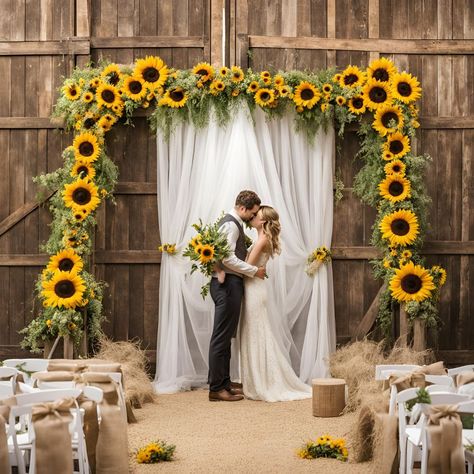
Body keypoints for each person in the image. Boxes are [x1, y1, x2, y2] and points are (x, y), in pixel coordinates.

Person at [240, 206, 312, 401]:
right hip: (256, 288)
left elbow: (247, 268)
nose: (253, 218)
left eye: (256, 216)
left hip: (254, 289)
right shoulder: (263, 240)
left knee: (257, 333)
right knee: (256, 332)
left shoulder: (263, 240)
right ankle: (257, 380)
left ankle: (262, 382)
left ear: (262, 222)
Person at [208, 190, 266, 402]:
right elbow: (227, 258)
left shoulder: (234, 224)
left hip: (230, 284)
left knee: (225, 336)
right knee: (221, 337)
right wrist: (253, 271)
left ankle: (224, 382)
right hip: (227, 286)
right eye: (251, 214)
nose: (252, 218)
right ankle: (216, 388)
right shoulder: (231, 224)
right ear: (242, 208)